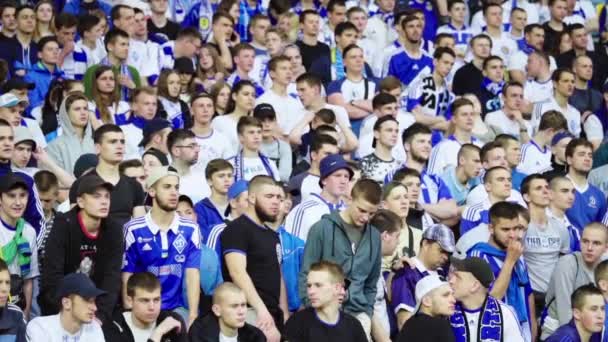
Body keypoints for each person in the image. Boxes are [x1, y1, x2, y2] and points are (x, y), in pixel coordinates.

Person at [299, 179, 382, 338]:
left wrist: (367, 311)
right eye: (362, 210)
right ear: (349, 199)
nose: (366, 218)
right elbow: (306, 273)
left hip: (358, 315)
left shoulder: (375, 237)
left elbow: (371, 282)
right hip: (322, 312)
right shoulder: (322, 228)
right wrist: (313, 307)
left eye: (372, 213)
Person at [122, 166, 201, 326]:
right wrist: (129, 313)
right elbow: (127, 275)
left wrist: (193, 316)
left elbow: (193, 274)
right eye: (167, 187)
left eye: (176, 188)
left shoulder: (191, 228)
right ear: (152, 191)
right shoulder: (133, 229)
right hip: (142, 309)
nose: (174, 193)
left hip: (176, 309)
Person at [39, 174, 122, 323]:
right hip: (61, 308)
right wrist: (68, 313)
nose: (104, 202)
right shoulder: (63, 225)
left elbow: (112, 278)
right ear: (81, 202)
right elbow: (52, 278)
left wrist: (100, 317)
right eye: (96, 196)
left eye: (107, 197)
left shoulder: (114, 229)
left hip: (97, 309)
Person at [220, 175, 284, 342]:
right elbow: (237, 273)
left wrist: (283, 310)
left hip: (272, 312)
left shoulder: (272, 235)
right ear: (252, 198)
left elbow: (278, 274)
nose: (276, 202)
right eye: (269, 197)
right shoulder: (237, 229)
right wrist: (261, 310)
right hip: (248, 312)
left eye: (279, 197)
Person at [467, 201, 536, 341]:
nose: (513, 235)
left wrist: (533, 325)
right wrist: (509, 261)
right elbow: (491, 299)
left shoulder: (518, 254)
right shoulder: (478, 256)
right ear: (491, 228)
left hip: (522, 329)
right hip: (494, 330)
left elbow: (528, 292)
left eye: (516, 228)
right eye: (505, 229)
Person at [68, 124, 146, 228]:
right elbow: (75, 226)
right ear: (97, 148)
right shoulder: (81, 184)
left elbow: (140, 228)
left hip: (125, 242)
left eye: (122, 142)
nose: (119, 146)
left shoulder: (134, 186)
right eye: (113, 142)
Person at [541, 223, 608, 339]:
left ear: (606, 248)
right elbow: (565, 316)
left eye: (596, 243)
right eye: (585, 241)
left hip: (589, 332)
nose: (589, 248)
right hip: (559, 333)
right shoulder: (568, 264)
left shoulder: (604, 266)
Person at [385, 123, 458, 224]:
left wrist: (420, 207)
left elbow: (452, 210)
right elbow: (394, 208)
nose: (427, 146)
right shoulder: (394, 175)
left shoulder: (435, 179)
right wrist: (436, 211)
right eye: (421, 141)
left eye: (429, 142)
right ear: (407, 146)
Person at [520, 174, 571, 317]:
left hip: (555, 296)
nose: (545, 191)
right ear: (526, 197)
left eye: (547, 188)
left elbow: (565, 263)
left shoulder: (560, 228)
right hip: (531, 295)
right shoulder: (521, 227)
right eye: (538, 188)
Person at [391, 223, 455, 328]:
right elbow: (404, 322)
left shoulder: (443, 273)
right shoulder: (406, 272)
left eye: (448, 253)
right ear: (425, 244)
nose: (445, 257)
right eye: (442, 250)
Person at [285, 260, 368, 342]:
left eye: (318, 285)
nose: (311, 291)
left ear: (337, 288)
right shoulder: (297, 323)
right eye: (309, 286)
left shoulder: (353, 326)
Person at [449, 256, 525, 342]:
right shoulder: (446, 309)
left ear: (474, 286)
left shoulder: (504, 313)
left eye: (458, 277)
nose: (451, 281)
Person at [103, 272, 187, 342]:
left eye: (156, 300)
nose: (152, 307)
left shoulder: (173, 321)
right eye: (145, 300)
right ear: (130, 301)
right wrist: (157, 333)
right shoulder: (114, 326)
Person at [285, 154, 351, 241]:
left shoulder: (349, 211)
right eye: (337, 176)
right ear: (324, 180)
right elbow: (292, 247)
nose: (343, 181)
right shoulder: (304, 209)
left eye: (346, 176)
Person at [0, 173, 38, 319]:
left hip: (16, 306)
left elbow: (28, 279)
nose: (18, 202)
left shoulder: (29, 232)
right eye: (11, 196)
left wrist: (26, 314)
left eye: (22, 196)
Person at [26, 273, 106, 341]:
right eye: (88, 300)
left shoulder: (94, 327)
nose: (95, 308)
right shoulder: (40, 328)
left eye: (94, 301)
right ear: (66, 303)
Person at [188, 282, 266, 342]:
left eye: (243, 305)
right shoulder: (199, 334)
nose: (241, 312)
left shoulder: (256, 337)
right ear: (217, 310)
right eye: (234, 306)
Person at [82, 28, 142, 102]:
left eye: (128, 45)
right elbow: (87, 101)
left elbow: (140, 103)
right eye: (122, 44)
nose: (127, 48)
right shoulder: (93, 71)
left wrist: (133, 87)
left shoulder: (133, 72)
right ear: (110, 46)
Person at [427, 98, 481, 176]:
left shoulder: (481, 146)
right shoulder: (441, 148)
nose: (469, 118)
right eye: (464, 114)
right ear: (454, 119)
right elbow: (431, 181)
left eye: (472, 114)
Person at [406, 47, 455, 132]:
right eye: (445, 63)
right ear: (435, 62)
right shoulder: (419, 85)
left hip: (438, 136)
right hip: (417, 133)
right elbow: (417, 118)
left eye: (451, 64)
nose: (449, 67)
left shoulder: (448, 94)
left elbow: (448, 124)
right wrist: (439, 119)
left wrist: (429, 123)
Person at [397, 274, 456, 342]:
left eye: (452, 294)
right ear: (426, 301)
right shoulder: (440, 326)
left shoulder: (408, 325)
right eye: (445, 295)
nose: (453, 300)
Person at [564, 139, 607, 231]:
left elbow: (601, 229)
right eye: (581, 154)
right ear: (569, 160)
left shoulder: (599, 195)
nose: (587, 159)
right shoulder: (556, 188)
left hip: (590, 244)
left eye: (590, 156)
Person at [255, 56, 303, 135]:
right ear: (272, 74)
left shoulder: (297, 102)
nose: (289, 72)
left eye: (290, 69)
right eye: (284, 69)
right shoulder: (262, 101)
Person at [228, 115, 280, 182]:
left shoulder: (270, 164)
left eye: (259, 132)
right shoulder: (231, 164)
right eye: (251, 132)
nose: (256, 136)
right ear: (241, 137)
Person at [189, 93, 232, 173]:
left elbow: (229, 169)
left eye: (209, 106)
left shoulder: (223, 139)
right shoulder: (182, 138)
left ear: (213, 110)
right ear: (192, 110)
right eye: (201, 106)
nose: (205, 110)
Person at [193, 159, 234, 242]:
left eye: (230, 175)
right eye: (221, 176)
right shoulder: (200, 209)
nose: (227, 180)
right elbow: (203, 239)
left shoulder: (240, 204)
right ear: (209, 181)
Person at [532, 68, 581, 137]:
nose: (570, 85)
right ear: (555, 84)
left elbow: (576, 139)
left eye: (572, 82)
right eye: (565, 81)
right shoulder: (541, 106)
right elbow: (537, 135)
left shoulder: (575, 113)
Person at [167, 129, 210, 204]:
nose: (197, 150)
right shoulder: (163, 180)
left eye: (197, 146)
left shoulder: (203, 178)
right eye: (191, 146)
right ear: (176, 151)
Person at [519, 109, 567, 176]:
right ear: (550, 131)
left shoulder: (551, 152)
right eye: (559, 135)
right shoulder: (526, 150)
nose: (560, 139)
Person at [254, 103, 292, 182]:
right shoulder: (250, 145)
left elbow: (285, 176)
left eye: (270, 120)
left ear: (275, 122)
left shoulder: (283, 146)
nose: (267, 125)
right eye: (262, 120)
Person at [359, 116, 403, 183]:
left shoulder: (400, 166)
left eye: (396, 131)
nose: (394, 134)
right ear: (376, 134)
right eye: (389, 130)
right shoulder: (364, 164)